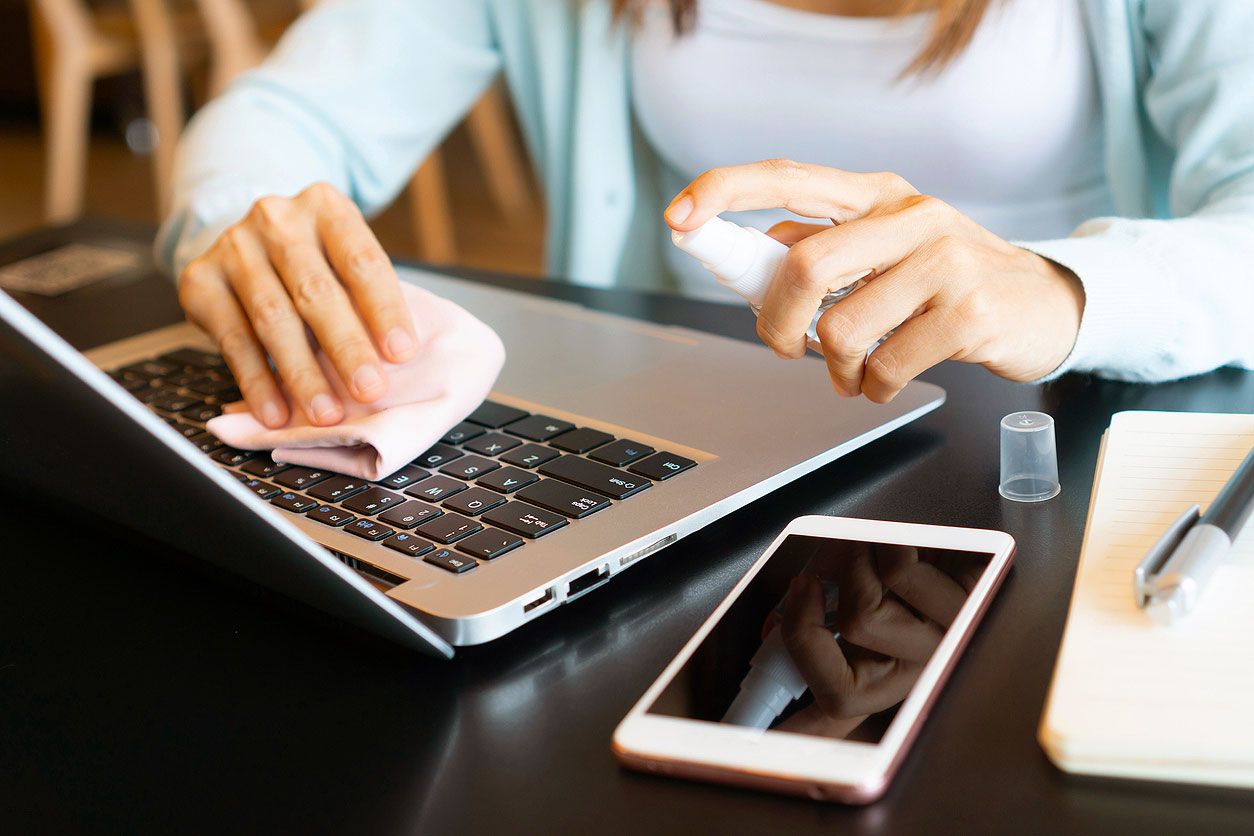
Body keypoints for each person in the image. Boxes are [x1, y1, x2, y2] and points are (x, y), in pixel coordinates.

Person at [158, 0, 1254, 428]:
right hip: (684, 443)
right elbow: (283, 115)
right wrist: (242, 222)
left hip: (1061, 435)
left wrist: (1063, 288)